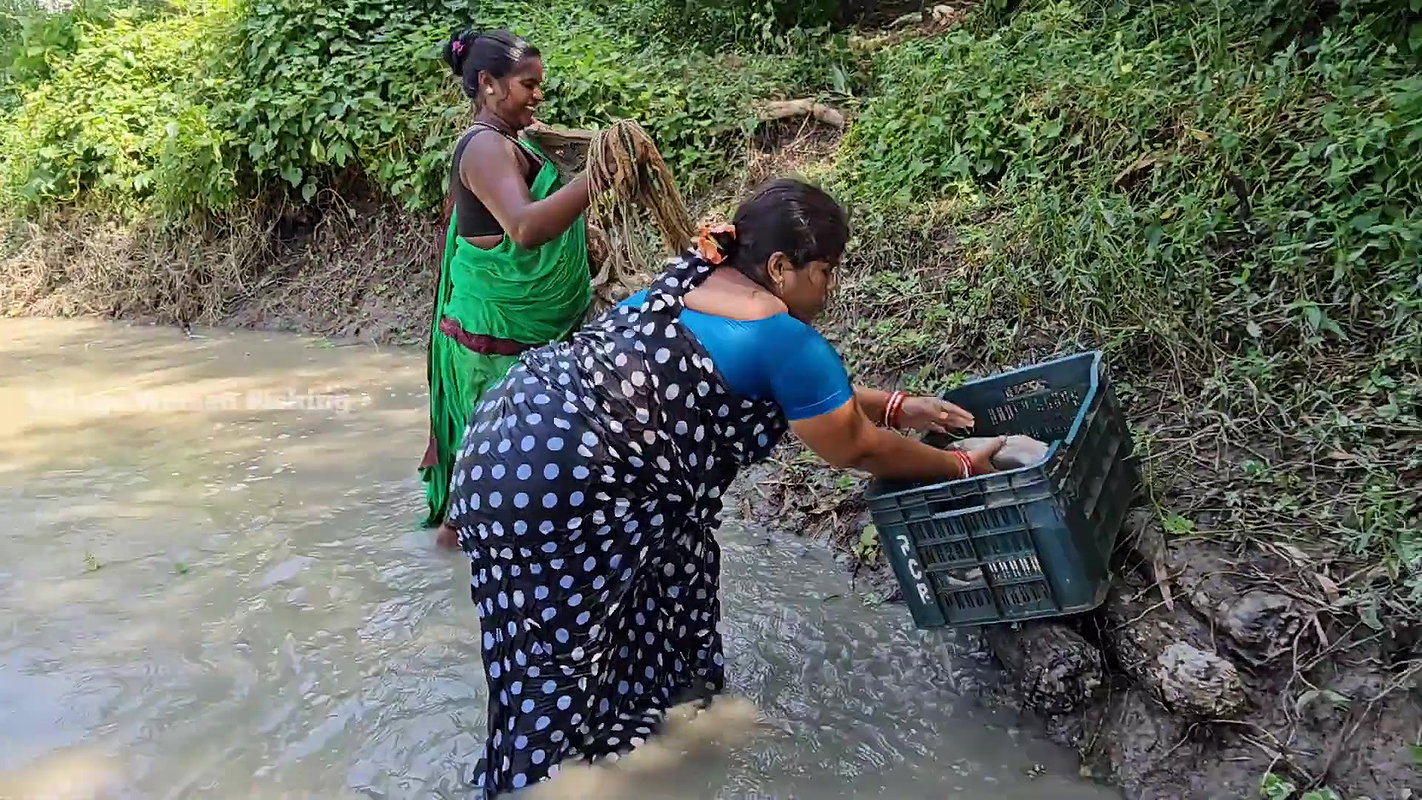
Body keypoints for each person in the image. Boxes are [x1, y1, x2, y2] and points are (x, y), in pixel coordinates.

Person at [446, 177, 1006, 797]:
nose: (832, 287)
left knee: (663, 586)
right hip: (564, 490)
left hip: (507, 447)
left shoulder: (690, 284)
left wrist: (899, 406)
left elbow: (802, 397)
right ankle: (539, 784)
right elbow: (854, 444)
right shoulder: (784, 337)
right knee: (554, 676)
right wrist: (961, 468)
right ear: (779, 266)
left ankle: (666, 743)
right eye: (827, 270)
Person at [420, 27, 595, 543]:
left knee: (494, 483)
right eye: (528, 84)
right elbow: (524, 227)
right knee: (476, 496)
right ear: (489, 84)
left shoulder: (510, 143)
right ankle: (448, 583)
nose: (538, 95)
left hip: (511, 343)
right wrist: (597, 177)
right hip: (491, 348)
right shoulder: (484, 148)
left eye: (539, 84)